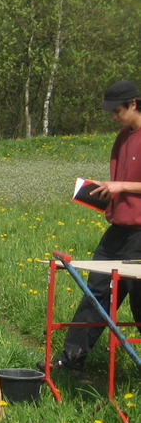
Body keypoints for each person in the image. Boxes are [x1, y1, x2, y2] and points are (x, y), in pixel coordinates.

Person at [47, 79, 141, 372]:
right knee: (96, 290)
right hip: (119, 228)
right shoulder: (123, 137)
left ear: (134, 104)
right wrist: (104, 192)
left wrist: (121, 185)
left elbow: (125, 183)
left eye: (117, 110)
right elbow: (119, 182)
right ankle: (71, 358)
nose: (113, 116)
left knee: (139, 302)